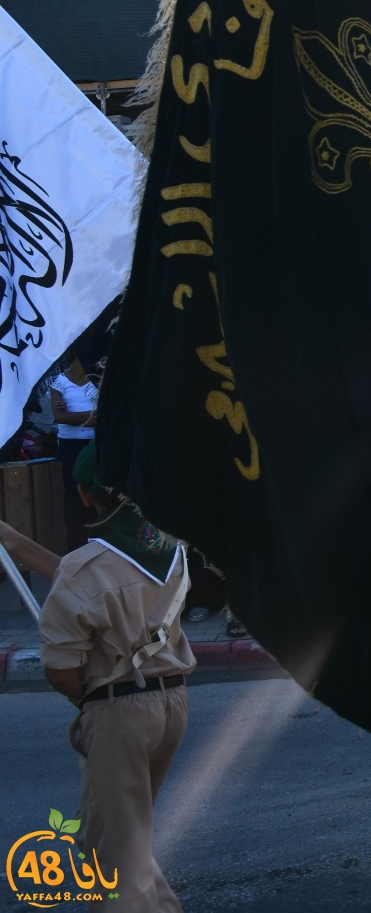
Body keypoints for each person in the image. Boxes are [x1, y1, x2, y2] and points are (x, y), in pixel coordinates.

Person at [27, 441, 194, 911]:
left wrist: (89, 702)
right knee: (122, 841)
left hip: (119, 709)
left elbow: (60, 670)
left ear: (84, 496)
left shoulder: (85, 569)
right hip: (171, 703)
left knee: (113, 860)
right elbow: (86, 579)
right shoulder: (168, 546)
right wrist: (14, 541)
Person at [49, 350, 98, 549]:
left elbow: (107, 417)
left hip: (95, 444)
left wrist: (73, 416)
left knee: (98, 495)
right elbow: (60, 418)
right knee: (73, 498)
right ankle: (76, 548)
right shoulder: (57, 380)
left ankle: (98, 544)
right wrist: (94, 415)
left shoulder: (98, 379)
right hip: (69, 447)